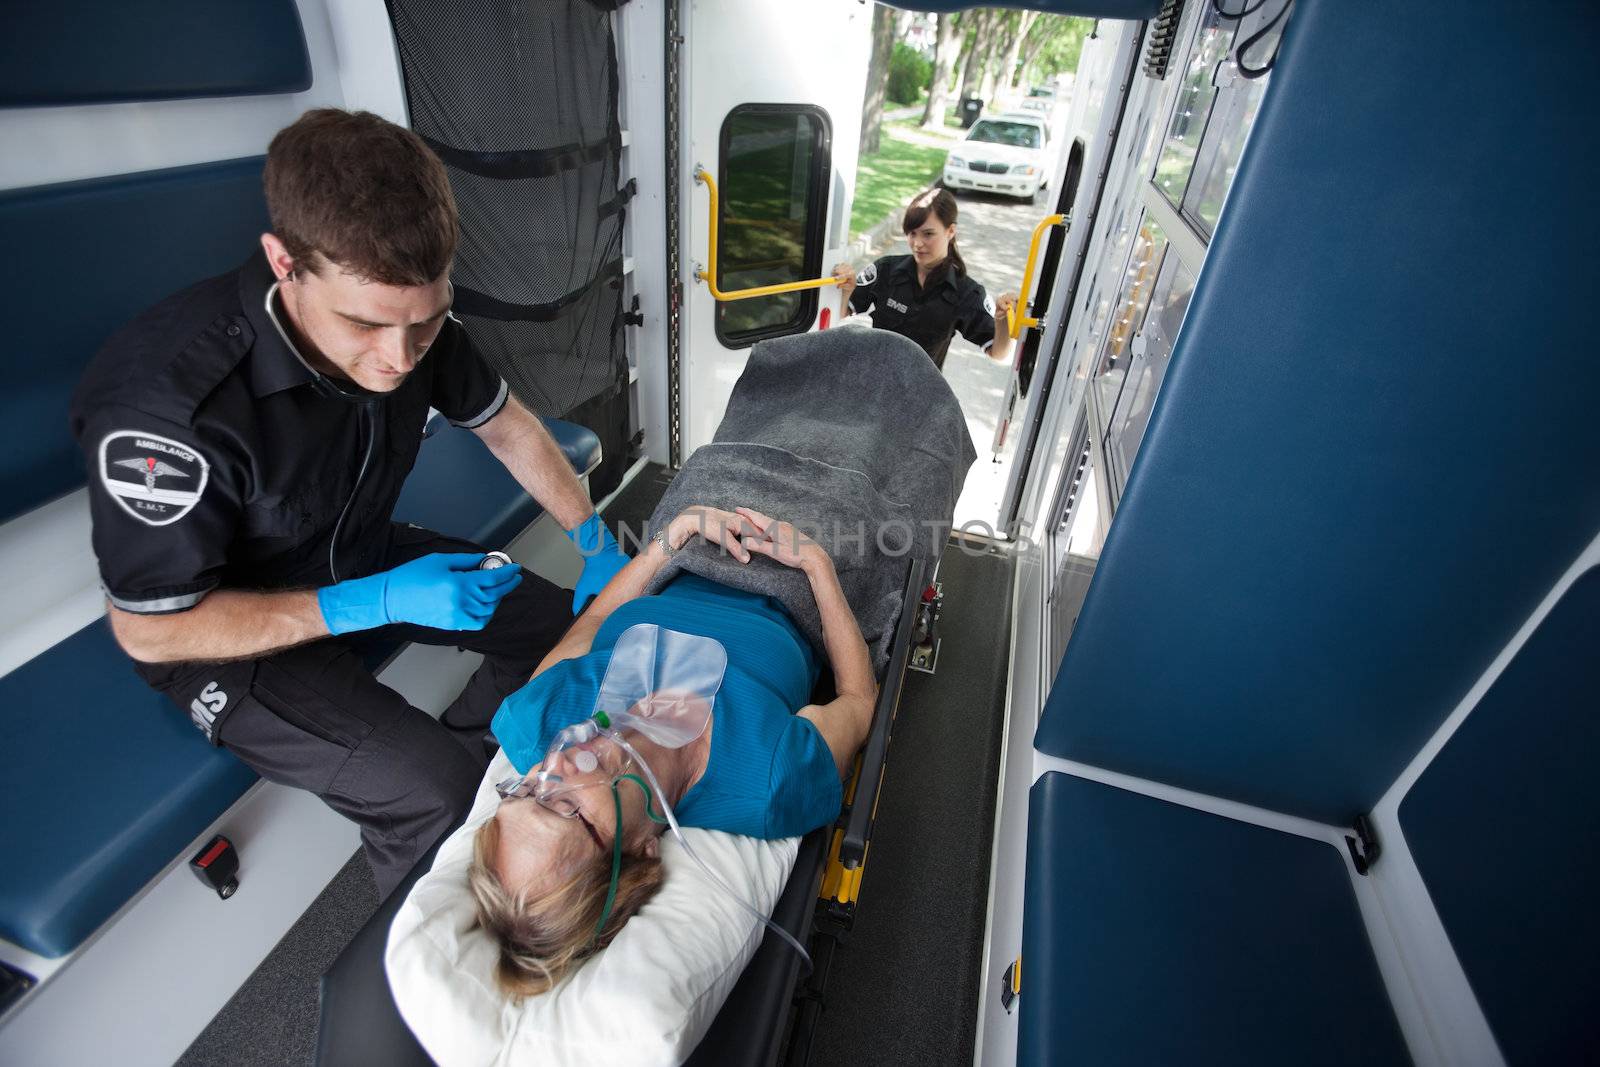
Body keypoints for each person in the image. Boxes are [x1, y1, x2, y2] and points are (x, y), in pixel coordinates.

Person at [68, 109, 629, 897]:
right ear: (283, 263)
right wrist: (377, 599)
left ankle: (478, 760)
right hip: (226, 634)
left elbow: (507, 427)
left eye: (425, 323)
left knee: (564, 631)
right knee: (426, 793)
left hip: (352, 548)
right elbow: (147, 628)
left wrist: (594, 538)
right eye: (365, 324)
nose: (398, 358)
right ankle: (429, 902)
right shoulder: (169, 410)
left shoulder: (412, 324)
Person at [468, 506, 875, 996]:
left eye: (527, 789)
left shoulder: (536, 715)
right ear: (641, 854)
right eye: (567, 807)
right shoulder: (771, 778)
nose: (557, 764)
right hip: (803, 561)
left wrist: (669, 539)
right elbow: (859, 699)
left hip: (692, 533)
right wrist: (816, 563)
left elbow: (597, 616)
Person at [831, 187, 1019, 371]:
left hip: (922, 396)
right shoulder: (885, 270)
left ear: (950, 231)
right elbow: (839, 313)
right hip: (873, 384)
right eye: (912, 233)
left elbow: (1000, 355)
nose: (917, 243)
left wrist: (1002, 321)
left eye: (928, 234)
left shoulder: (967, 292)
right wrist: (846, 290)